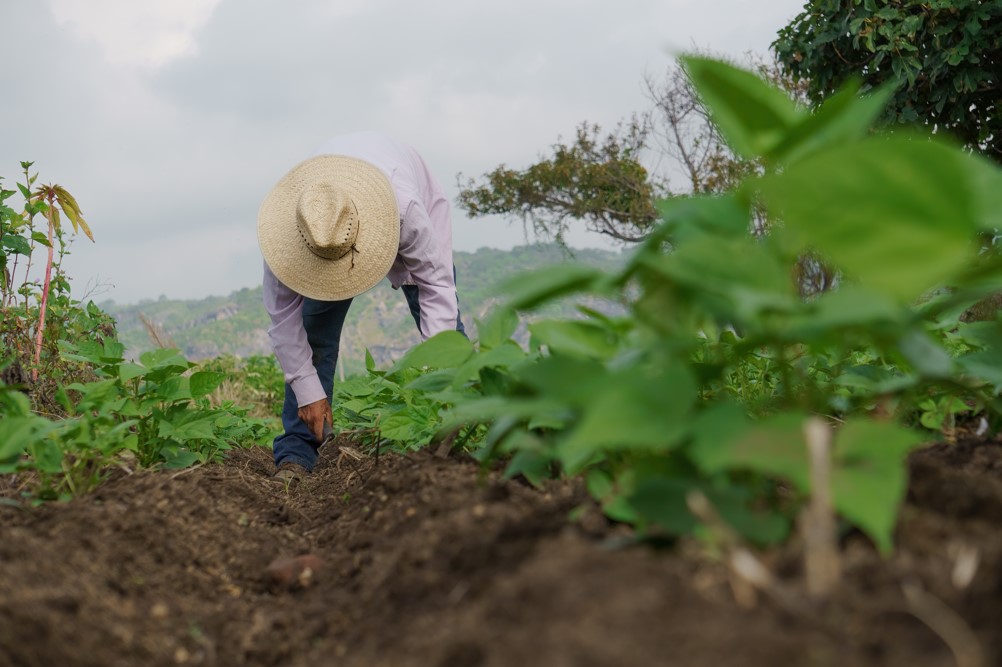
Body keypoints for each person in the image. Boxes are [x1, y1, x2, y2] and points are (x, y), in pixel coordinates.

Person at [257, 131, 465, 482]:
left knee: (449, 341)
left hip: (402, 209)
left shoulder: (405, 208)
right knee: (314, 334)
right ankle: (298, 450)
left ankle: (467, 425)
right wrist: (309, 393)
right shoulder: (295, 227)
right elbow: (283, 320)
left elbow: (437, 286)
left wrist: (441, 377)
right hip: (330, 223)